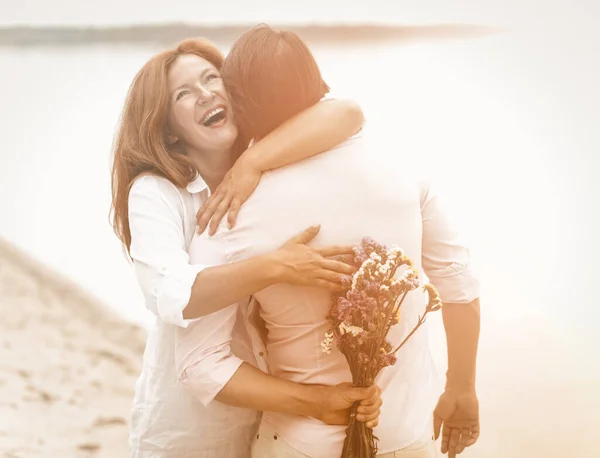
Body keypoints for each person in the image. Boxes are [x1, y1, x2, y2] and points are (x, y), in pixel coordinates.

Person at [178, 25, 481, 458]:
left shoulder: (228, 213)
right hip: (409, 434)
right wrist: (462, 391)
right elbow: (459, 287)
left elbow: (200, 365)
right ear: (318, 83)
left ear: (239, 104)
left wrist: (313, 403)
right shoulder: (402, 169)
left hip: (301, 443)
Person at [110, 37, 382, 458]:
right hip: (191, 425)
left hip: (271, 420)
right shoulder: (157, 192)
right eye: (184, 94)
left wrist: (252, 164)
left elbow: (347, 113)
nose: (206, 95)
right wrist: (274, 267)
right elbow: (168, 294)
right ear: (167, 128)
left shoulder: (264, 159)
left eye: (211, 78)